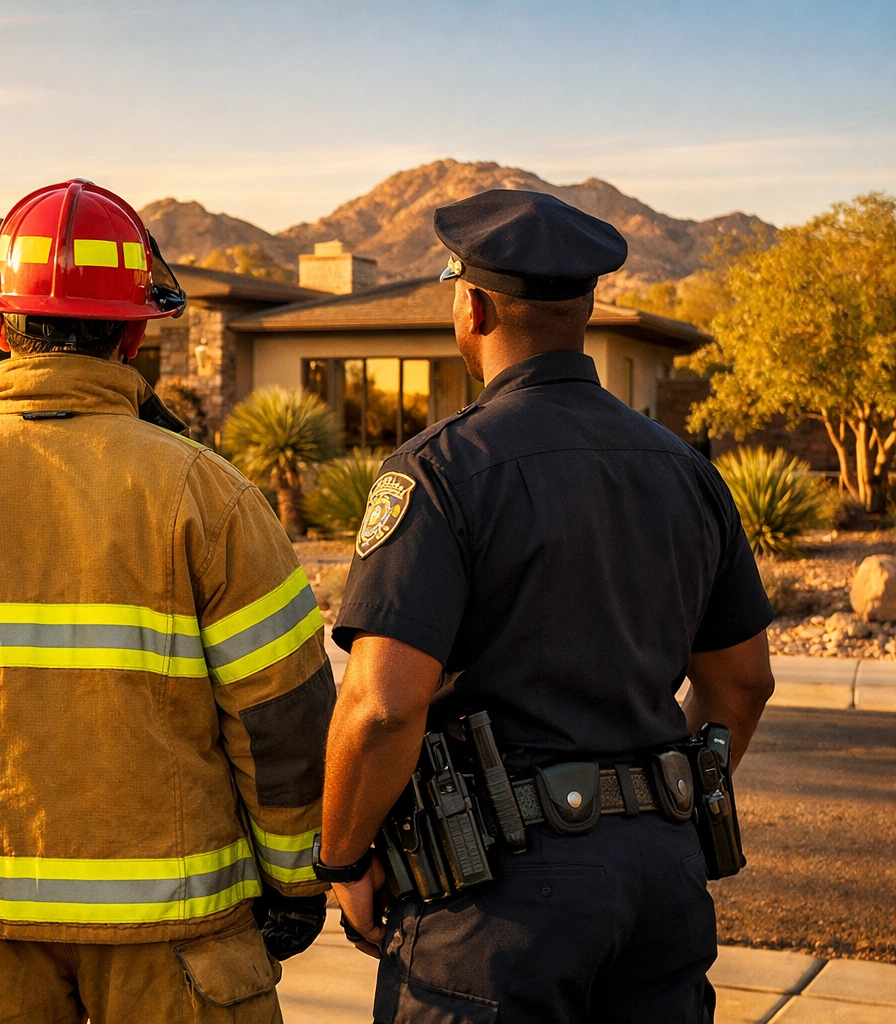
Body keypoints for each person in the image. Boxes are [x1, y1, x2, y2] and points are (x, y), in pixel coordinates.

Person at [0, 179, 333, 1023]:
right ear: (135, 331)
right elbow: (282, 715)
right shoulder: (210, 493)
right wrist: (298, 876)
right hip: (182, 944)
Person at [317, 190, 778, 1023]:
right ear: (587, 308)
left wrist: (344, 859)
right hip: (663, 885)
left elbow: (383, 707)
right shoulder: (688, 471)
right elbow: (742, 685)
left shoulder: (440, 472)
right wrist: (655, 806)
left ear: (474, 307)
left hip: (498, 902)